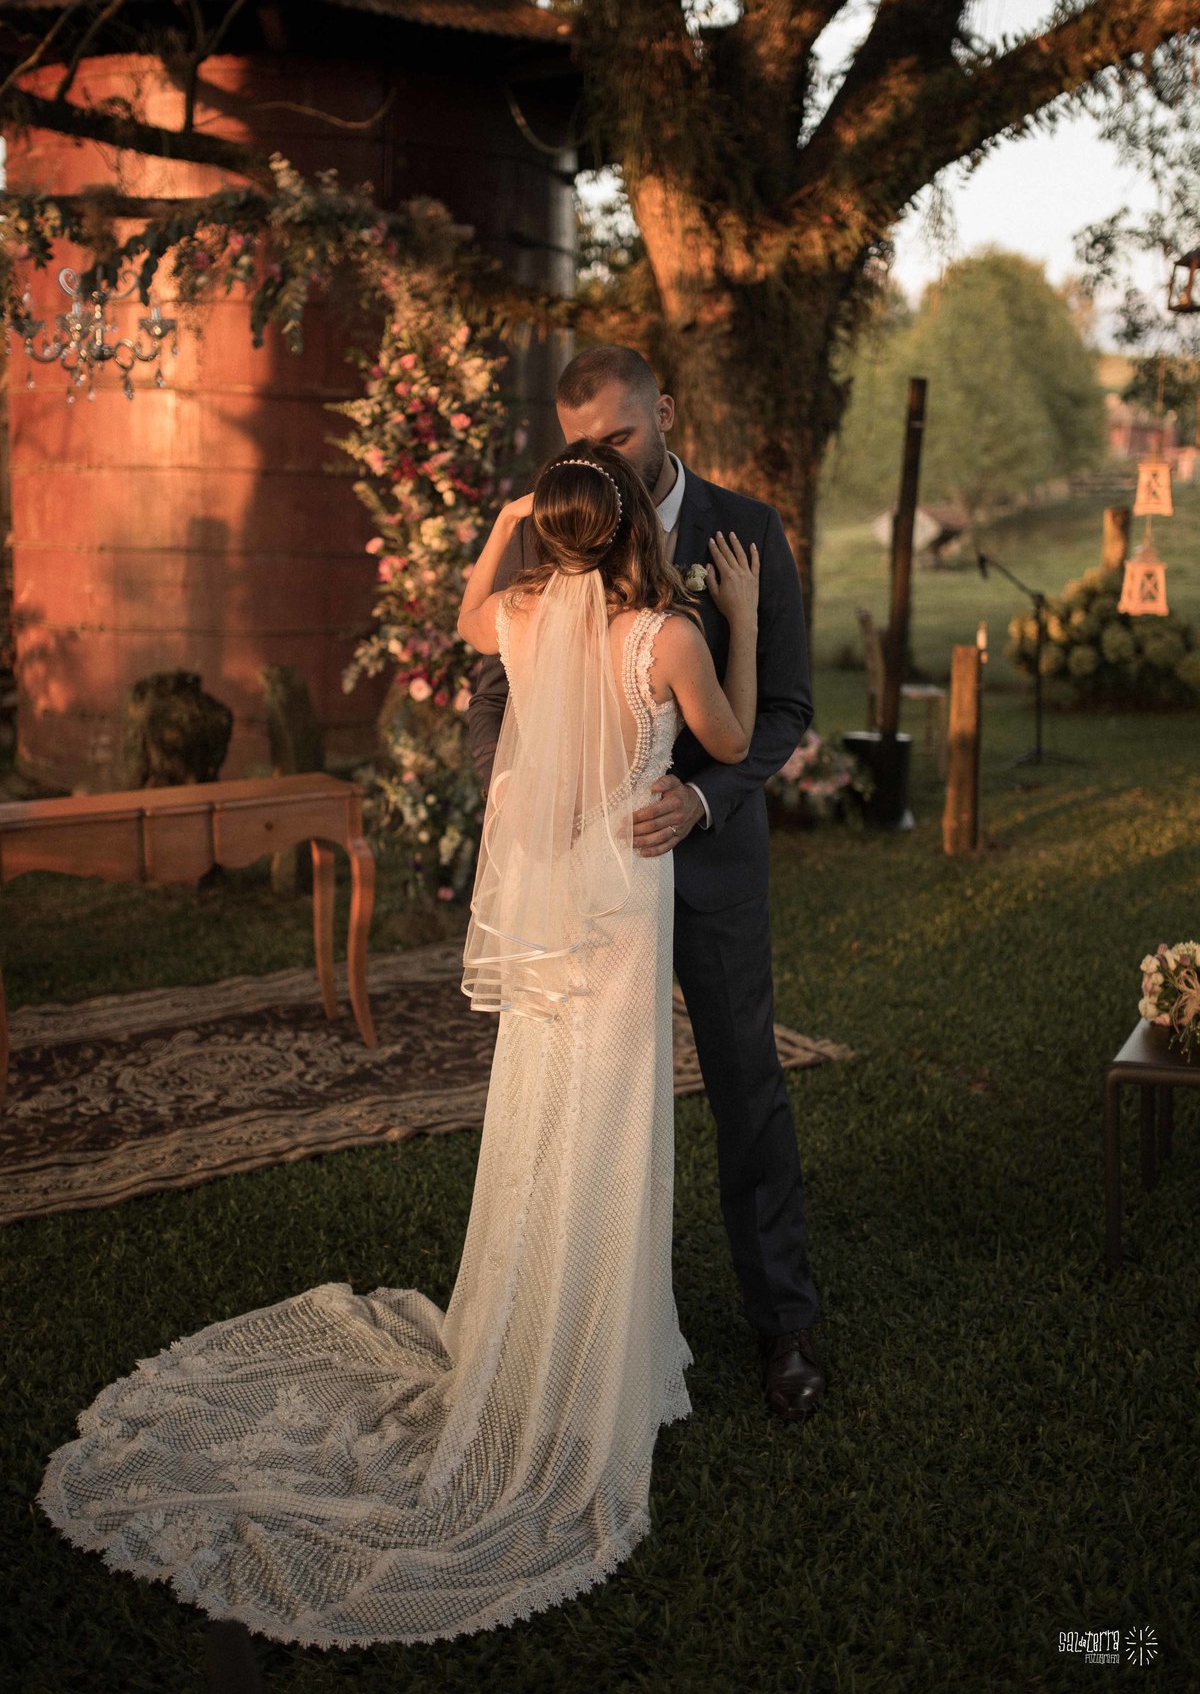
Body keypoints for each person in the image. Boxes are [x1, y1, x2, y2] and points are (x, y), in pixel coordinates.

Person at [35, 443, 761, 1648]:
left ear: (551, 531)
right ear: (636, 519)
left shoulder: (521, 614)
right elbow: (727, 746)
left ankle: (556, 1337)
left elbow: (466, 613)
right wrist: (744, 616)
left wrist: (508, 517)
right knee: (614, 1108)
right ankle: (596, 1363)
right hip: (625, 896)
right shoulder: (668, 635)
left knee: (545, 1107)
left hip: (556, 895)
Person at [469, 344, 826, 1423]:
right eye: (582, 445)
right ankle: (580, 1323)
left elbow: (783, 711)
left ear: (664, 412)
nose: (604, 460)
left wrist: (704, 802)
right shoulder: (560, 526)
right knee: (585, 1099)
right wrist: (527, 799)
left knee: (745, 1083)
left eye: (620, 436)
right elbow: (497, 694)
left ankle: (783, 1323)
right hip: (590, 882)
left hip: (707, 865)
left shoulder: (746, 531)